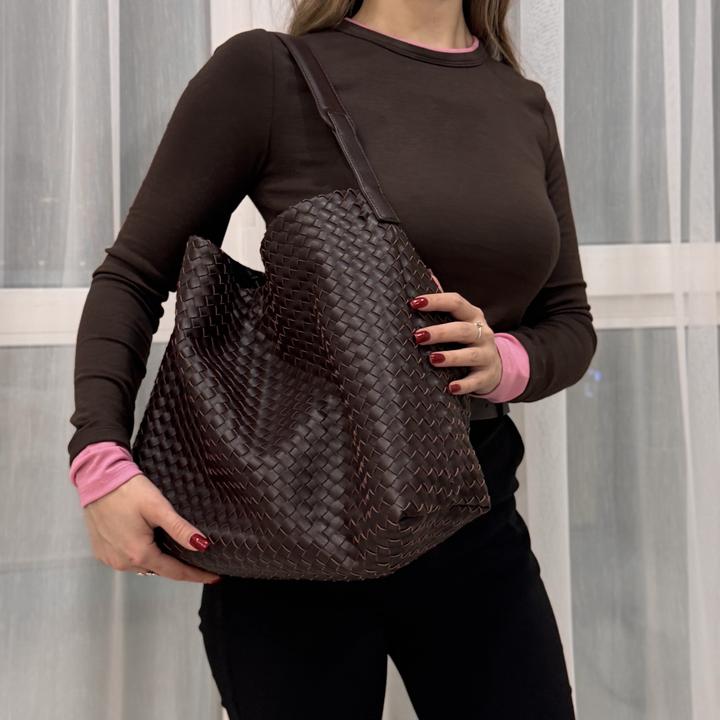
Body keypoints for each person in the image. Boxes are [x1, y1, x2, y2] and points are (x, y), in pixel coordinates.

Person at [67, 0, 597, 717]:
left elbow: (569, 323)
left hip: (470, 509)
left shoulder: (519, 102)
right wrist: (100, 461)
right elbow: (135, 275)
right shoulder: (268, 72)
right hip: (293, 513)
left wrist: (502, 360)